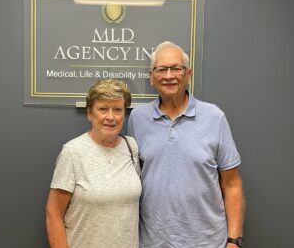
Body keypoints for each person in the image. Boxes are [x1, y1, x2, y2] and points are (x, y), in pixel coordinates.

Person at [128, 41, 245, 248]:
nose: (169, 75)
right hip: (153, 242)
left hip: (208, 242)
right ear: (152, 77)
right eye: (161, 69)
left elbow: (232, 184)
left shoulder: (214, 117)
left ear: (188, 74)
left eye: (176, 68)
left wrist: (234, 241)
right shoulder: (138, 119)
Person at [46, 79, 141, 248]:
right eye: (103, 109)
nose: (110, 117)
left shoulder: (131, 147)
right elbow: (54, 214)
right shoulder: (73, 152)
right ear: (90, 113)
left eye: (117, 110)